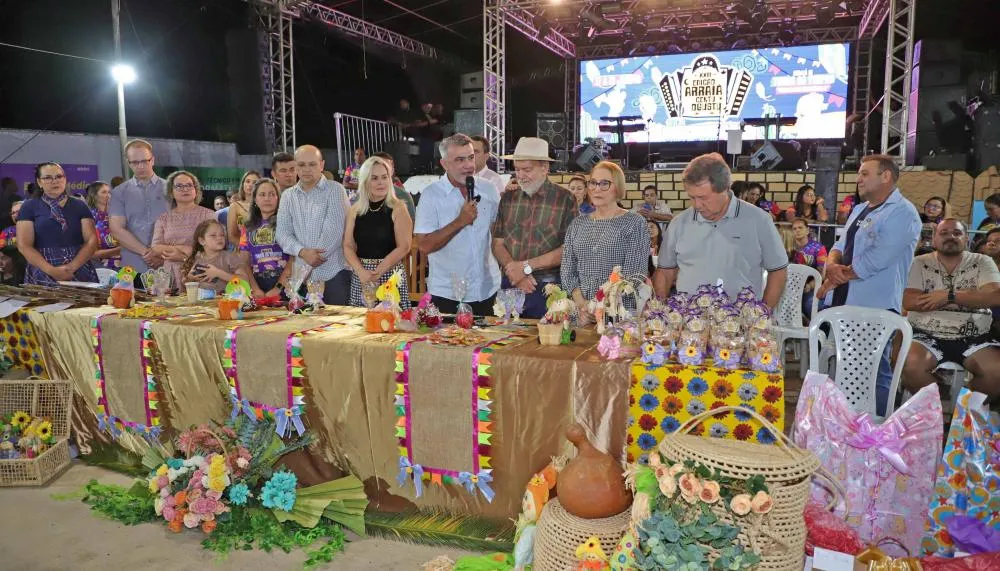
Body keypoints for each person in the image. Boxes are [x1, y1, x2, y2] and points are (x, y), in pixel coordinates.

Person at [816, 155, 921, 415]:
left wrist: (838, 275)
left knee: (874, 370)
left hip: (875, 304)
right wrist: (832, 263)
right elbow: (840, 245)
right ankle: (844, 421)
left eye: (864, 174)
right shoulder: (860, 209)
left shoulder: (903, 212)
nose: (858, 179)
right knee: (844, 365)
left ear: (885, 176)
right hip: (845, 300)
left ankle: (880, 428)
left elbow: (878, 258)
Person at [654, 153, 788, 305]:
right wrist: (659, 311)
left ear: (724, 188)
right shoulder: (679, 223)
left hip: (739, 321)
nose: (697, 205)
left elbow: (778, 271)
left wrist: (764, 315)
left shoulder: (758, 220)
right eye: (692, 197)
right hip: (689, 321)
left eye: (703, 198)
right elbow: (664, 273)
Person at [902, 219, 1000, 399]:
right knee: (909, 366)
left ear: (967, 239)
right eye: (944, 233)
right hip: (924, 333)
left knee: (997, 373)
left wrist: (948, 296)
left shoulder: (982, 262)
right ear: (934, 238)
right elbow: (909, 301)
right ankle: (939, 404)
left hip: (976, 336)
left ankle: (962, 409)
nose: (951, 237)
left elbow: (994, 297)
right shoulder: (919, 262)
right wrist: (973, 297)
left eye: (957, 233)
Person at [414, 133, 501, 315]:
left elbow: (497, 233)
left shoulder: (489, 189)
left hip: (488, 290)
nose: (469, 165)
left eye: (471, 157)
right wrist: (460, 222)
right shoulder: (431, 195)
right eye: (460, 160)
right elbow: (424, 245)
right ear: (444, 164)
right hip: (447, 295)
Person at [491, 137, 577, 318]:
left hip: (548, 289)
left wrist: (525, 268)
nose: (520, 175)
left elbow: (568, 250)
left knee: (549, 344)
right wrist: (516, 272)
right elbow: (497, 243)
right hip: (511, 284)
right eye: (517, 169)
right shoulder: (508, 199)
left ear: (545, 168)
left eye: (527, 170)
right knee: (505, 343)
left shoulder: (565, 199)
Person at [561, 161, 649, 323]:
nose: (597, 189)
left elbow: (634, 275)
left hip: (618, 314)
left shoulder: (634, 223)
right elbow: (567, 270)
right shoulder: (577, 224)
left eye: (604, 184)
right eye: (593, 183)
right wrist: (583, 304)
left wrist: (599, 306)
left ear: (618, 187)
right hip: (581, 314)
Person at [276, 145, 352, 305]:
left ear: (322, 165)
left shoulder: (335, 190)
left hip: (333, 273)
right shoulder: (287, 196)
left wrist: (309, 262)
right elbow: (282, 234)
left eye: (312, 164)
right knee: (300, 328)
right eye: (301, 165)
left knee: (336, 327)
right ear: (295, 166)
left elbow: (334, 233)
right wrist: (302, 252)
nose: (306, 169)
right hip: (300, 279)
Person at [344, 156, 413, 310]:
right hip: (361, 276)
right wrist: (361, 272)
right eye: (374, 178)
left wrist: (378, 272)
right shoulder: (355, 210)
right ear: (365, 181)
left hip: (389, 276)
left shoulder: (399, 208)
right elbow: (348, 245)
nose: (381, 182)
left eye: (384, 177)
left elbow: (404, 246)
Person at [16, 162, 99, 284]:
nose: (55, 181)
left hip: (78, 266)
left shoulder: (79, 205)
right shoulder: (29, 207)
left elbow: (92, 240)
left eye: (59, 176)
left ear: (65, 179)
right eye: (48, 177)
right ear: (39, 182)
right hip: (43, 268)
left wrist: (71, 267)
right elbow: (24, 245)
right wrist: (51, 270)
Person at [109, 139, 168, 275]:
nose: (140, 166)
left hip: (167, 264)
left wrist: (161, 254)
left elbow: (179, 227)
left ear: (152, 160)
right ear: (128, 163)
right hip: (132, 267)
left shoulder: (171, 189)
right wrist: (146, 252)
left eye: (144, 161)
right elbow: (116, 229)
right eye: (135, 162)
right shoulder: (119, 192)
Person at [151, 171, 217, 289]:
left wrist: (183, 257)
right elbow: (156, 248)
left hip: (200, 271)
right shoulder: (163, 218)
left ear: (196, 190)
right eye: (179, 186)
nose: (185, 189)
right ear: (171, 192)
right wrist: (184, 249)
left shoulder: (209, 215)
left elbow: (214, 248)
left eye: (189, 185)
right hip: (170, 275)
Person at [240, 178, 292, 297]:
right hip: (257, 285)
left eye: (272, 194)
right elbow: (244, 262)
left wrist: (278, 288)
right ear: (255, 200)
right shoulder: (247, 227)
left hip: (286, 285)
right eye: (262, 195)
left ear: (278, 198)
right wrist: (255, 289)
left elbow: (294, 259)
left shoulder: (287, 222)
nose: (267, 198)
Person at [181, 219, 250, 293]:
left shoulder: (230, 257)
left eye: (222, 235)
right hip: (202, 303)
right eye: (213, 235)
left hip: (227, 302)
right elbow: (185, 284)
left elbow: (244, 281)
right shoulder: (196, 258)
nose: (219, 238)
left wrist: (218, 273)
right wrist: (190, 279)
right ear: (202, 241)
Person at [789, 217, 827, 319]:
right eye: (794, 229)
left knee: (810, 305)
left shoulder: (818, 248)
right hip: (789, 288)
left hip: (810, 288)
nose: (797, 230)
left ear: (807, 230)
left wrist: (809, 286)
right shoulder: (788, 247)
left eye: (800, 227)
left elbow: (822, 274)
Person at [84, 181, 121, 270]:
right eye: (104, 192)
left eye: (109, 192)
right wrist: (120, 250)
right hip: (103, 267)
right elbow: (92, 254)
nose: (108, 195)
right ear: (95, 195)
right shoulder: (89, 218)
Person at [371, 151, 416, 218]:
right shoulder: (362, 196)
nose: (382, 170)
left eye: (386, 168)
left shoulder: (403, 197)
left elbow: (412, 224)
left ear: (392, 171)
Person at [226, 171, 261, 246]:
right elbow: (232, 236)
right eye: (247, 181)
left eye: (254, 182)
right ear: (243, 184)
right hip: (243, 251)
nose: (250, 185)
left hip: (264, 250)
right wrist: (247, 249)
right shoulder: (235, 207)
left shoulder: (265, 205)